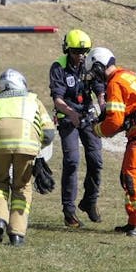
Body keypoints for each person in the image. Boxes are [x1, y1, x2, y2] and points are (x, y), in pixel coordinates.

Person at [0, 68, 56, 246]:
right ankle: (17, 234)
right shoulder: (33, 100)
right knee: (21, 188)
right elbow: (49, 133)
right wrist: (37, 148)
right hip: (27, 147)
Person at [87, 46, 136, 237]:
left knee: (132, 176)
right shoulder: (126, 75)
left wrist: (96, 129)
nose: (95, 78)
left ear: (98, 67)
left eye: (94, 73)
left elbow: (114, 121)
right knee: (126, 176)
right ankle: (134, 220)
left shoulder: (115, 83)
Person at [49, 28, 105, 227]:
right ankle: (69, 211)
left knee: (96, 161)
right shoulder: (58, 67)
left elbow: (99, 90)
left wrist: (103, 106)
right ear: (67, 50)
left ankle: (90, 202)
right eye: (75, 52)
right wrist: (71, 114)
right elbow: (57, 99)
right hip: (67, 117)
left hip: (88, 115)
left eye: (83, 52)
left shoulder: (90, 64)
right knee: (72, 161)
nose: (80, 56)